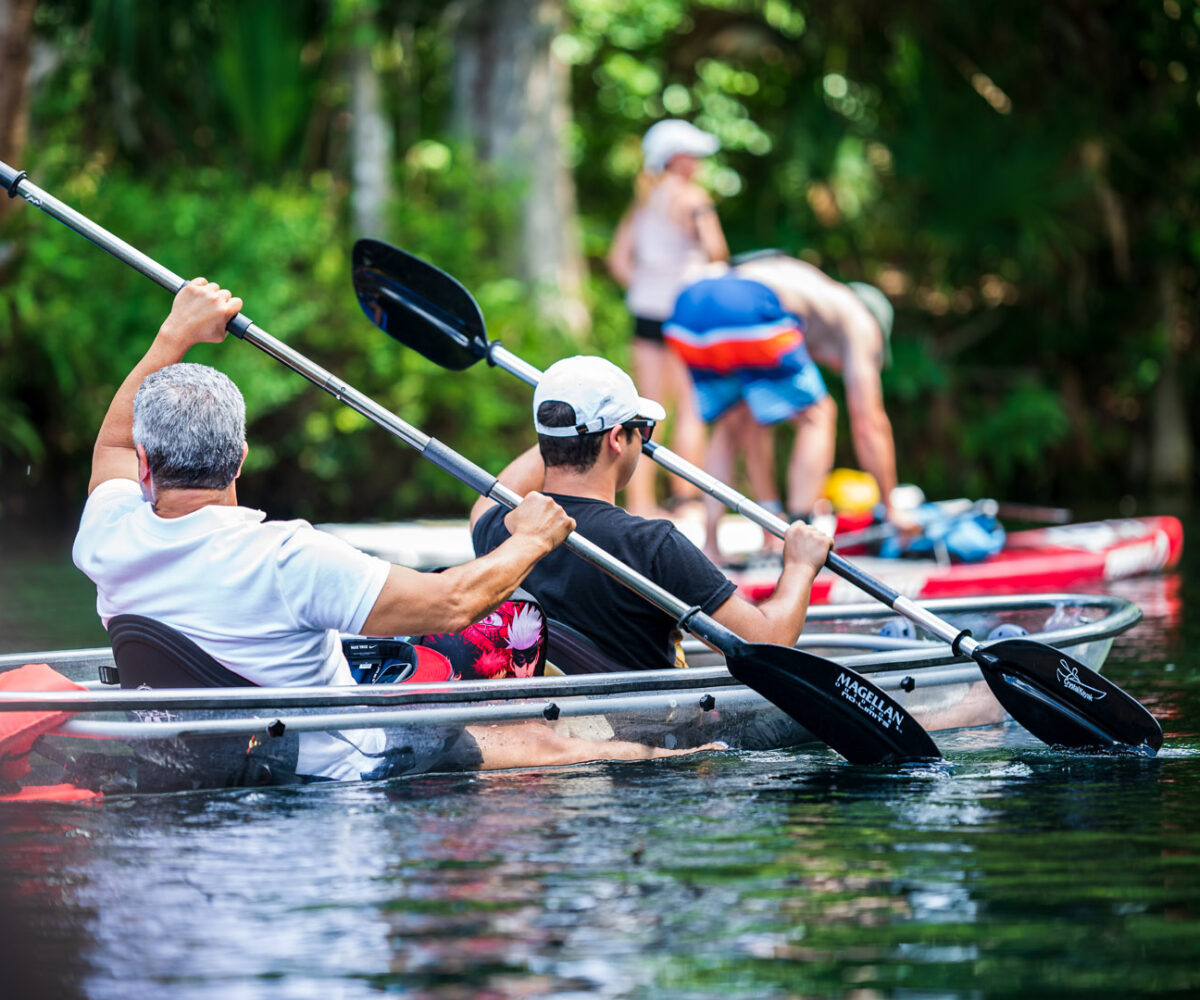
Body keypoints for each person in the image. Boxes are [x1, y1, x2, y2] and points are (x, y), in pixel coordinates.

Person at [72, 279, 718, 781]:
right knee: (526, 733)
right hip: (333, 766)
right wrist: (533, 538)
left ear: (147, 465)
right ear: (242, 457)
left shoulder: (108, 535)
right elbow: (452, 603)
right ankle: (678, 760)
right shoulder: (287, 555)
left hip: (196, 751)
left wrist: (173, 335)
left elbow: (112, 443)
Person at [469, 356, 834, 673]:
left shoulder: (499, 529)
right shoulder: (652, 545)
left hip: (554, 721)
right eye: (641, 429)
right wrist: (801, 566)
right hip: (656, 737)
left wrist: (562, 429)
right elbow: (768, 644)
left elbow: (488, 500)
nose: (643, 440)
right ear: (616, 440)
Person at [665, 254, 904, 557]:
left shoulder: (810, 293)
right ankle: (798, 536)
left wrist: (769, 520)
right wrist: (891, 508)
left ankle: (713, 545)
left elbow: (756, 430)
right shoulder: (859, 318)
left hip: (687, 308)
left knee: (735, 422)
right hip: (745, 302)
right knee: (818, 415)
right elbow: (869, 423)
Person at [607, 119, 729, 518]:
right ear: (675, 158)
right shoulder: (692, 197)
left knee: (644, 407)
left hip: (646, 311)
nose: (697, 162)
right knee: (692, 408)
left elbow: (618, 261)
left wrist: (647, 286)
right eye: (691, 154)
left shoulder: (644, 201)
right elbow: (717, 251)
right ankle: (686, 500)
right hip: (684, 312)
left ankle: (641, 503)